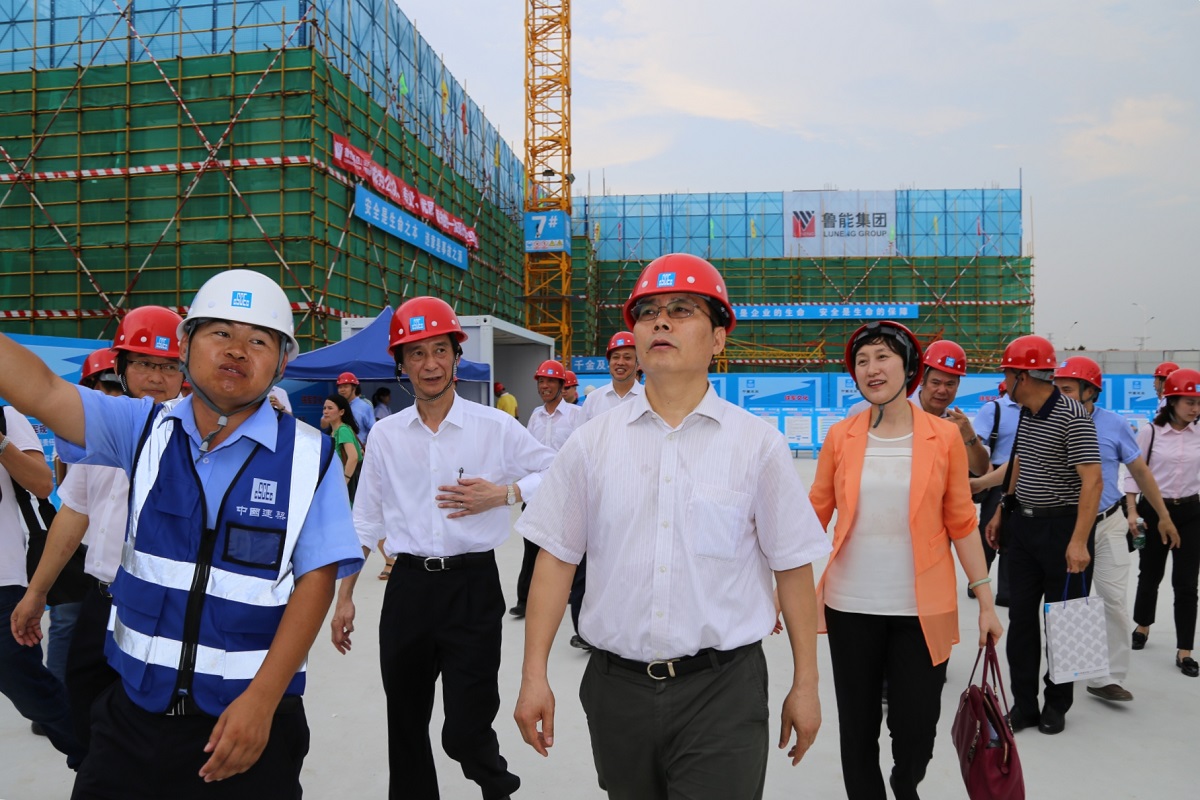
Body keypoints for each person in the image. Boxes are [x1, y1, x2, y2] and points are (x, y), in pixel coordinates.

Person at [0, 269, 364, 797]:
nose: (236, 350)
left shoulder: (311, 457)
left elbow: (317, 579)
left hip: (246, 725)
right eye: (220, 333)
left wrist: (262, 702)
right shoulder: (141, 429)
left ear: (282, 362)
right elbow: (42, 389)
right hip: (132, 716)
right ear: (186, 344)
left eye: (258, 341)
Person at [514, 253, 830, 800]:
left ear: (718, 338)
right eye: (648, 312)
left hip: (723, 691)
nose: (660, 321)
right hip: (617, 692)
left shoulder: (758, 446)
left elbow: (792, 568)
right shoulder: (590, 445)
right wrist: (533, 674)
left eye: (682, 310)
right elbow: (557, 560)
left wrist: (806, 683)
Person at [331, 295, 555, 800]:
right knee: (406, 725)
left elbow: (558, 469)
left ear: (457, 356)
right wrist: (344, 596)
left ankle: (496, 785)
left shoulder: (494, 427)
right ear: (401, 363)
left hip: (472, 588)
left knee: (466, 730)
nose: (429, 363)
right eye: (416, 353)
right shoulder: (386, 435)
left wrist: (505, 494)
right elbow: (364, 520)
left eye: (440, 350)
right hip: (408, 590)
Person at [809, 320, 1003, 800]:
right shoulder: (840, 436)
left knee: (916, 729)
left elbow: (962, 522)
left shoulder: (943, 436)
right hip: (850, 606)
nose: (871, 369)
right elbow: (812, 515)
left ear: (908, 367)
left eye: (882, 357)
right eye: (861, 361)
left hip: (921, 609)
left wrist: (985, 601)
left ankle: (905, 781)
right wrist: (772, 581)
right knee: (857, 728)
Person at [12, 306, 185, 753]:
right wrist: (36, 593)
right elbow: (74, 513)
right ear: (121, 367)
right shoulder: (100, 431)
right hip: (100, 598)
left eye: (169, 366)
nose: (156, 377)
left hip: (162, 611)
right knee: (85, 717)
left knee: (154, 735)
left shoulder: (198, 434)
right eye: (144, 363)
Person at [984, 334, 1101, 736]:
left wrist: (1079, 541)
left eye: (1007, 374)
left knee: (1064, 623)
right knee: (1020, 620)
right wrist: (1002, 509)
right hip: (1023, 529)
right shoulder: (1027, 414)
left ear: (1021, 376)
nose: (1004, 382)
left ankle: (1057, 703)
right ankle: (1024, 704)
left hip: (1062, 530)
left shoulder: (1072, 416)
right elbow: (1020, 462)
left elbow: (1093, 481)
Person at [1051, 356, 1178, 702]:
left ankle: (1106, 676)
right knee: (1070, 601)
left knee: (1113, 600)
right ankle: (1073, 668)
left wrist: (1163, 515)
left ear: (1090, 391)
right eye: (1056, 388)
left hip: (1109, 522)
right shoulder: (1048, 421)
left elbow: (1140, 472)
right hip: (1067, 525)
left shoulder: (1114, 425)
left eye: (1067, 389)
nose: (1059, 395)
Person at [0, 403, 85, 769]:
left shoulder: (7, 418)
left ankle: (92, 761)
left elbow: (41, 483)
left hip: (4, 580)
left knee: (29, 686)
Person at [1125, 367, 1200, 678]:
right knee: (1150, 574)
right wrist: (1132, 511)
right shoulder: (1150, 432)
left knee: (1187, 583)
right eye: (1189, 402)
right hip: (1155, 512)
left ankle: (1185, 650)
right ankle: (1143, 625)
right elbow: (1134, 472)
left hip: (1191, 513)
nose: (1195, 409)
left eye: (1198, 403)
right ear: (1171, 401)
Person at [510, 360, 583, 623]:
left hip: (566, 495)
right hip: (537, 494)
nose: (545, 386)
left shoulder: (576, 415)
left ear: (562, 385)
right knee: (531, 548)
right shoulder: (535, 416)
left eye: (551, 381)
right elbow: (528, 453)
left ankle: (569, 595)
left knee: (566, 549)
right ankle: (524, 600)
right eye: (541, 381)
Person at [971, 379, 1022, 604]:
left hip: (1024, 478)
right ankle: (978, 580)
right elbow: (978, 443)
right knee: (988, 531)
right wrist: (985, 472)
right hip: (996, 478)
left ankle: (1006, 592)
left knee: (1014, 533)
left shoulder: (1034, 409)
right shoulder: (994, 409)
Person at [582, 331, 642, 421]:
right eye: (615, 357)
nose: (620, 362)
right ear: (609, 362)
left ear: (638, 363)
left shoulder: (649, 398)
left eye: (627, 357)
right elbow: (581, 430)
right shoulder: (593, 399)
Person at [321, 394, 362, 501]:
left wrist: (344, 482)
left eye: (330, 408)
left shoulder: (343, 430)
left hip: (348, 485)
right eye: (324, 408)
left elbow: (353, 457)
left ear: (341, 412)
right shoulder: (332, 432)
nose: (326, 411)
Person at [336, 372, 374, 445]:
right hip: (339, 449)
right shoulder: (336, 405)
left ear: (354, 388)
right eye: (340, 387)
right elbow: (324, 424)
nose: (342, 390)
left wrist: (366, 446)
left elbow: (373, 430)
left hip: (358, 449)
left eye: (346, 386)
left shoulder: (364, 406)